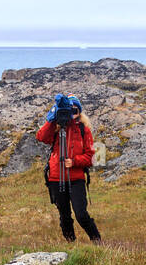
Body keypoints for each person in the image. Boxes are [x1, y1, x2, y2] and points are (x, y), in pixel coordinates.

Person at [36, 94, 101, 244]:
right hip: (56, 178)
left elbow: (92, 157)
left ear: (80, 112)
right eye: (68, 111)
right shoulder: (56, 128)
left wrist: (75, 161)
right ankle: (71, 243)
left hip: (76, 178)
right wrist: (51, 119)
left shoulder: (84, 130)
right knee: (64, 215)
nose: (71, 115)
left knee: (81, 214)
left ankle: (97, 240)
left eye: (75, 111)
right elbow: (41, 137)